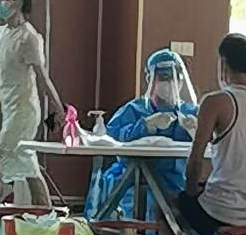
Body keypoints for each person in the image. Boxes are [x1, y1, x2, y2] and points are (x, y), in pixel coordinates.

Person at [84, 49, 198, 220]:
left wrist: (196, 130)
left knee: (178, 219)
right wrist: (145, 125)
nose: (171, 83)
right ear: (150, 79)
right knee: (135, 217)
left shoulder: (190, 112)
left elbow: (212, 142)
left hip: (175, 182)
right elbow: (110, 139)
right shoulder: (134, 109)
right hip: (132, 180)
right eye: (164, 77)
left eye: (176, 77)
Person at [180, 33, 246, 235]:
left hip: (221, 210)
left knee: (166, 208)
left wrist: (191, 191)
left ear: (223, 64)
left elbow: (196, 158)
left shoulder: (216, 102)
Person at [0, 0, 64, 213]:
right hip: (9, 109)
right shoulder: (0, 34)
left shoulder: (29, 37)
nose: (0, 3)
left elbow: (42, 77)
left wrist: (58, 108)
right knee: (30, 168)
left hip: (24, 113)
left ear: (19, 3)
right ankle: (47, 215)